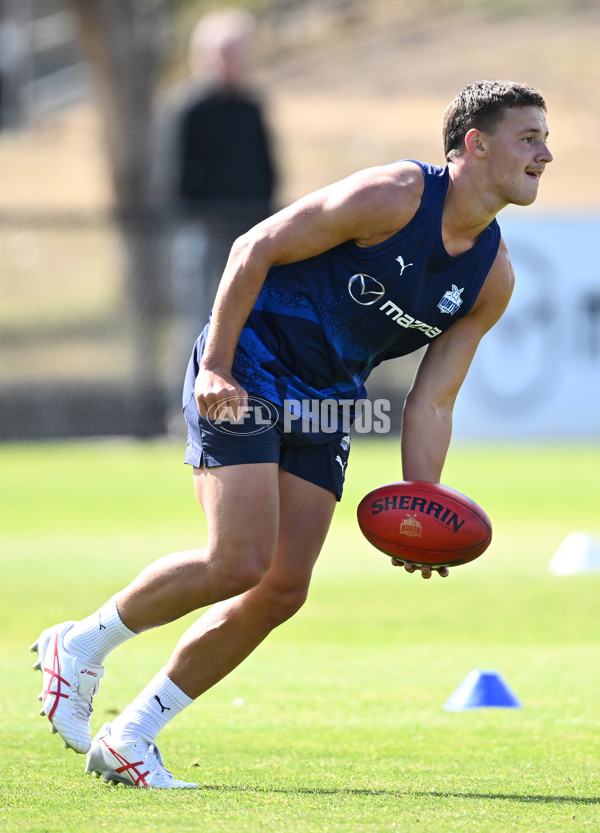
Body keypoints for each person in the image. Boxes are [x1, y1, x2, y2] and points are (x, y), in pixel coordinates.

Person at [31, 80, 552, 788]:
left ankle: (132, 736)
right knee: (238, 559)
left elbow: (432, 402)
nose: (545, 154)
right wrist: (214, 364)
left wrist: (419, 502)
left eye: (545, 140)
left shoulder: (492, 275)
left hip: (329, 401)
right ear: (475, 144)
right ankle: (81, 643)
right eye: (530, 138)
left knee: (281, 588)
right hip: (249, 363)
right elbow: (256, 245)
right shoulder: (396, 194)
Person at [161, 8, 278, 412]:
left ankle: (243, 409)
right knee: (198, 320)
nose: (232, 61)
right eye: (225, 53)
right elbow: (175, 181)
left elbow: (268, 171)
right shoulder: (188, 109)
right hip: (204, 235)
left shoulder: (252, 109)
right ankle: (185, 412)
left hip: (250, 237)